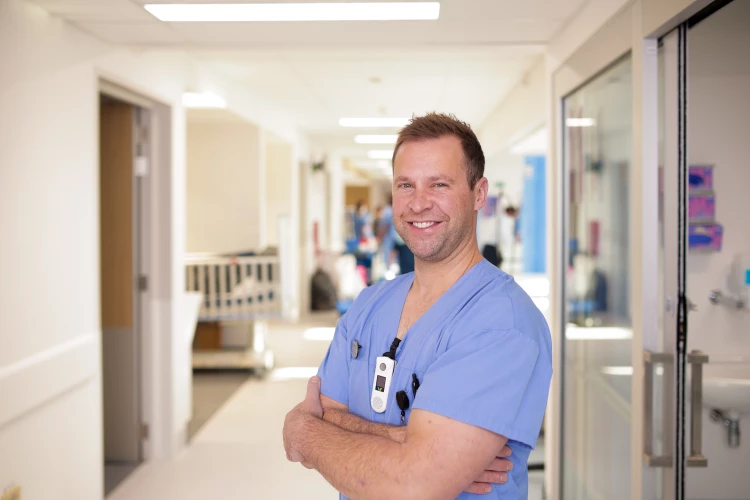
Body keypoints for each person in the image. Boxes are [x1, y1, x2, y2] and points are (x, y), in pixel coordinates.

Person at [283, 113, 552, 499]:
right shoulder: (369, 304)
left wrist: (304, 430)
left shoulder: (501, 322)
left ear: (479, 193)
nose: (419, 203)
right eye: (405, 185)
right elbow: (323, 414)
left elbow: (412, 485)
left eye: (439, 184)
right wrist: (401, 438)